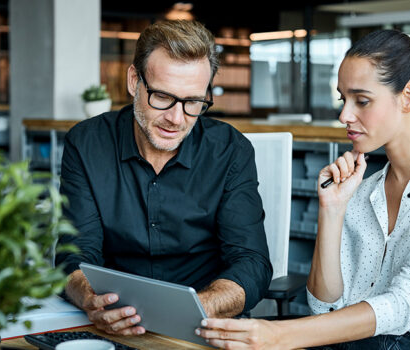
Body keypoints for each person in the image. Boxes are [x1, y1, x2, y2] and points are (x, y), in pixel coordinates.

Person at [197, 29, 410, 349]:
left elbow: (404, 304)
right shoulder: (364, 191)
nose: (344, 115)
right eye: (343, 99)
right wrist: (332, 210)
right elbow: (324, 307)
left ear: (408, 96)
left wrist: (280, 335)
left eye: (361, 100)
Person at [55, 19, 272, 337]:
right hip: (112, 324)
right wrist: (91, 300)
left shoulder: (230, 151)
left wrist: (199, 307)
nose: (176, 118)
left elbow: (251, 263)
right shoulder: (86, 144)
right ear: (134, 81)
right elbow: (75, 253)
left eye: (193, 102)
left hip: (204, 325)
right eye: (161, 96)